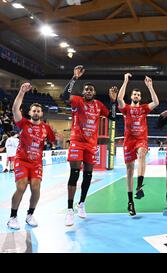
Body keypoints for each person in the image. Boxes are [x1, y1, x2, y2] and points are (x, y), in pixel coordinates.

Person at [62, 65, 117, 226]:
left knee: (88, 175)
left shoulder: (99, 105)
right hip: (77, 142)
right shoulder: (77, 101)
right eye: (86, 89)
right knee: (74, 174)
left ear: (94, 93)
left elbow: (113, 118)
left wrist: (113, 101)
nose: (88, 91)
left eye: (91, 90)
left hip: (91, 145)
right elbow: (64, 95)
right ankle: (69, 209)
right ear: (83, 92)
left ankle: (81, 204)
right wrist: (74, 78)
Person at [7, 82, 56, 230]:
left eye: (38, 111)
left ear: (42, 114)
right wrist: (22, 92)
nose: (36, 112)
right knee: (21, 187)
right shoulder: (23, 124)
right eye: (34, 110)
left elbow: (54, 140)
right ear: (29, 113)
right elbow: (15, 108)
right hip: (22, 161)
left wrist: (57, 140)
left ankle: (30, 214)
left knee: (36, 188)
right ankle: (13, 217)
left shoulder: (47, 128)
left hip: (36, 163)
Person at [117, 73, 159, 216]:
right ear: (131, 96)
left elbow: (156, 102)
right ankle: (130, 202)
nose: (136, 96)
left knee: (142, 153)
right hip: (128, 141)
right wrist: (125, 81)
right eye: (134, 94)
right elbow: (119, 99)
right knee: (129, 170)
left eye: (138, 94)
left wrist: (150, 86)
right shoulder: (126, 108)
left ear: (140, 98)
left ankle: (139, 185)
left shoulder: (144, 109)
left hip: (141, 139)